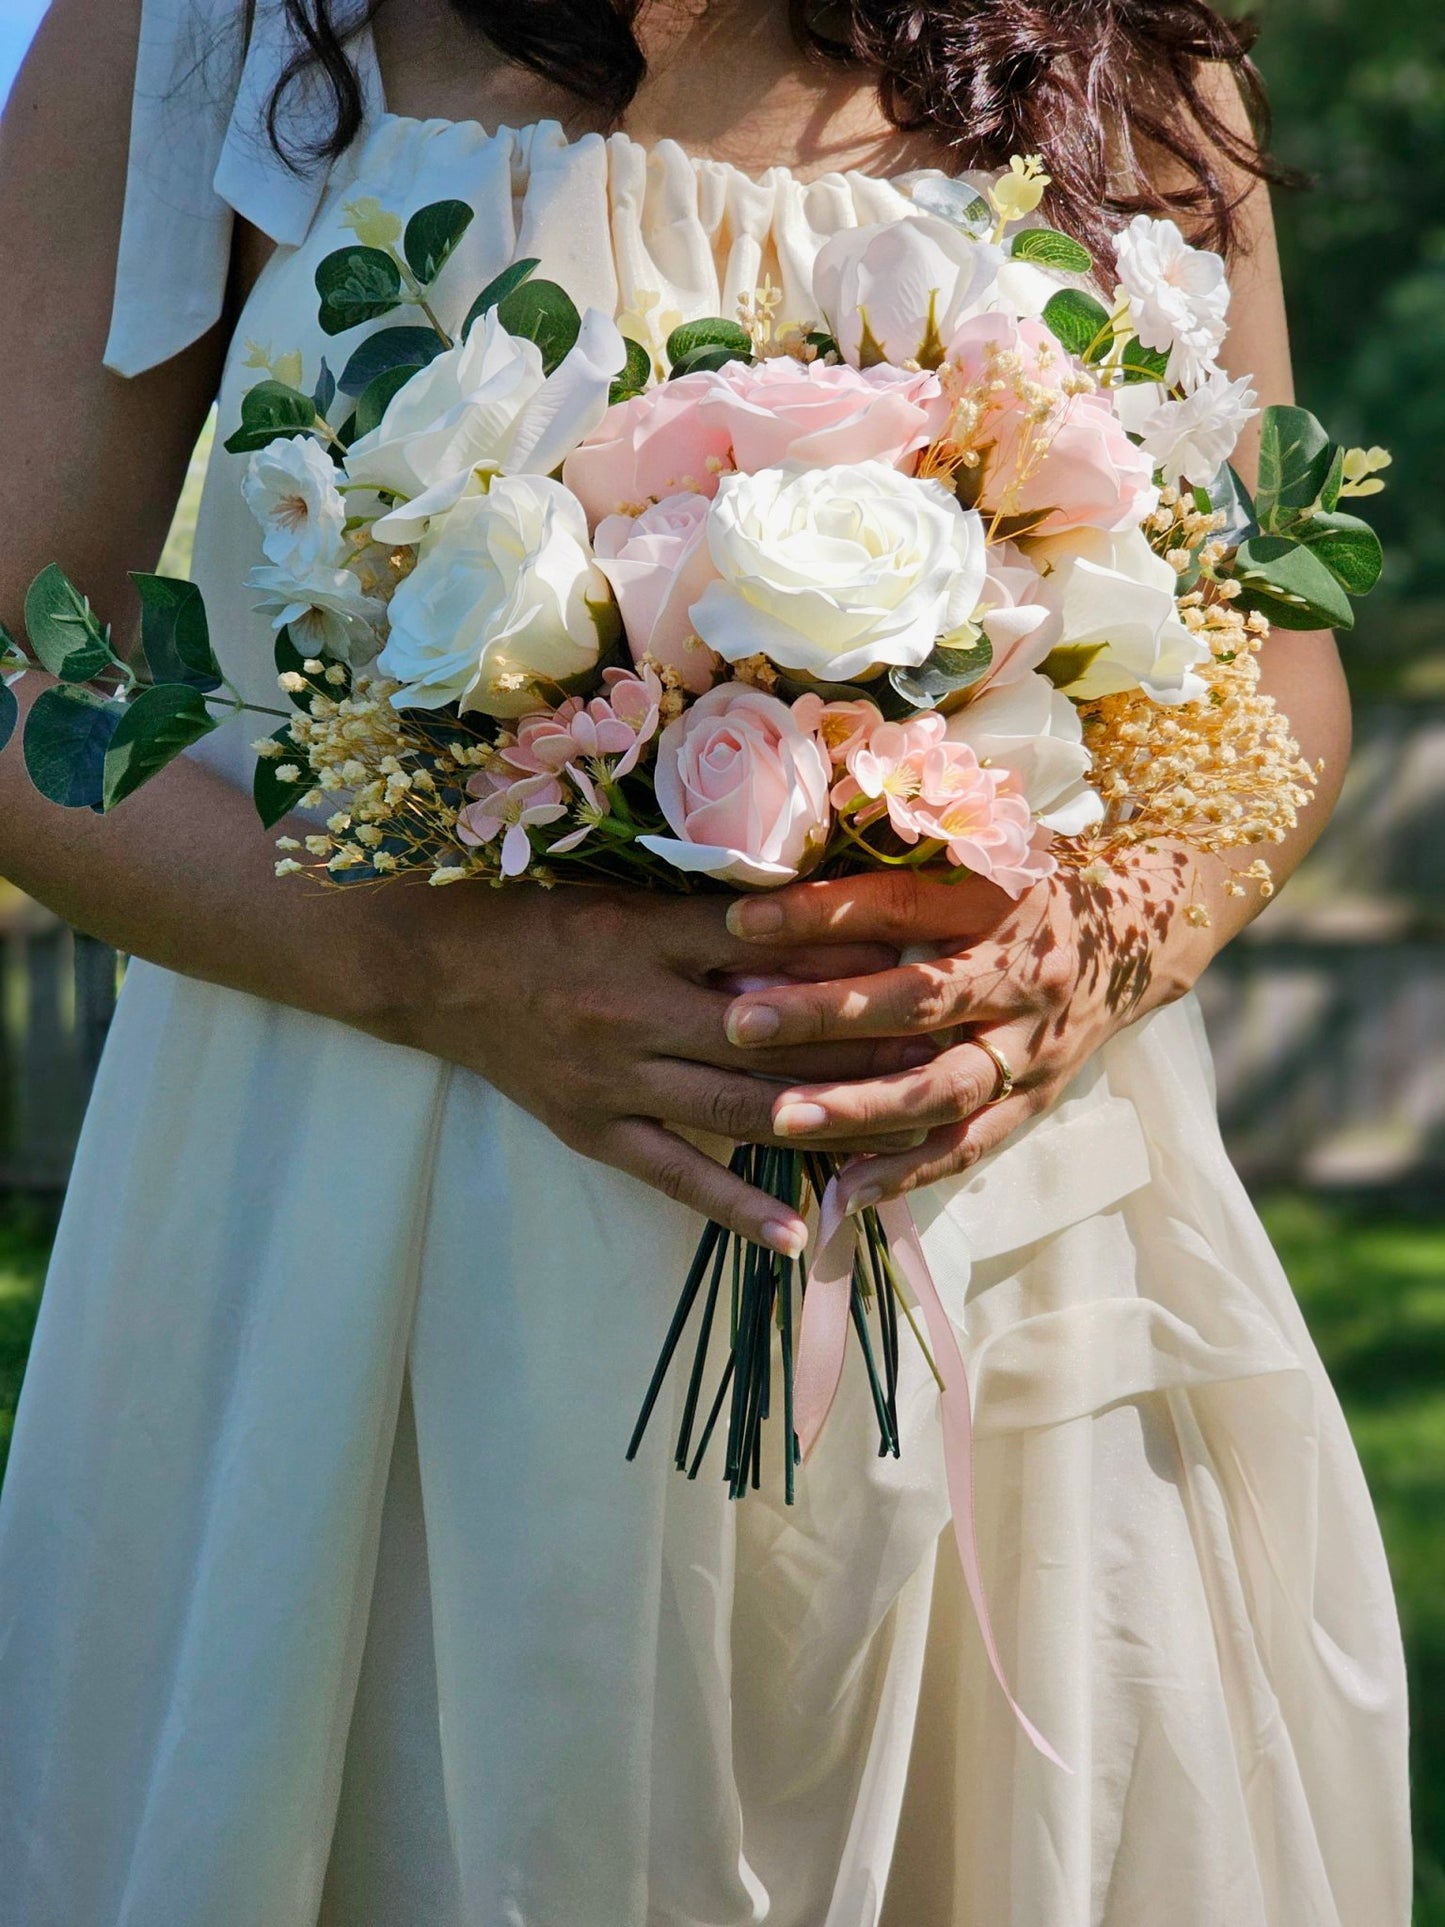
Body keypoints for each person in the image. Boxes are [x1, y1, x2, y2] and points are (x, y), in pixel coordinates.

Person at [0, 1, 1411, 1920]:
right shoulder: (203, 25)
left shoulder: (1130, 39)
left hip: (1000, 1256)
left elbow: (1276, 669)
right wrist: (443, 972)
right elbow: (18, 671)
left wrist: (1092, 952)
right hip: (376, 1267)